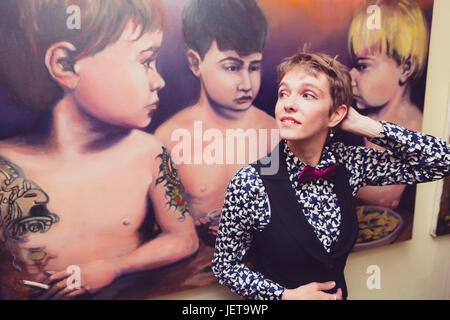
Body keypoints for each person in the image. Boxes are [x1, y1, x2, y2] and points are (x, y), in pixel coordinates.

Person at [212, 51, 450, 300]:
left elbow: (442, 161)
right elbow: (225, 267)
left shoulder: (351, 163)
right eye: (284, 93)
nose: (288, 104)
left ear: (336, 114)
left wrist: (369, 127)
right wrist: (284, 296)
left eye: (307, 94)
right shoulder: (250, 182)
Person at [0, 0, 198, 299]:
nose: (159, 81)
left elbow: (184, 239)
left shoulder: (149, 154)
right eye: (145, 60)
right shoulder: (5, 167)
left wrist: (115, 267)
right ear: (65, 65)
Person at [155, 0, 277, 285]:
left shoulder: (274, 134)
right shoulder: (167, 140)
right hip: (193, 284)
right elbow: (158, 232)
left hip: (265, 279)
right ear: (195, 63)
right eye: (232, 67)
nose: (246, 83)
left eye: (254, 67)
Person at [348, 0, 429, 209]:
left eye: (363, 66)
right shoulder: (357, 123)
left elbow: (386, 197)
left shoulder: (412, 126)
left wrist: (321, 169)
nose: (351, 76)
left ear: (405, 68)